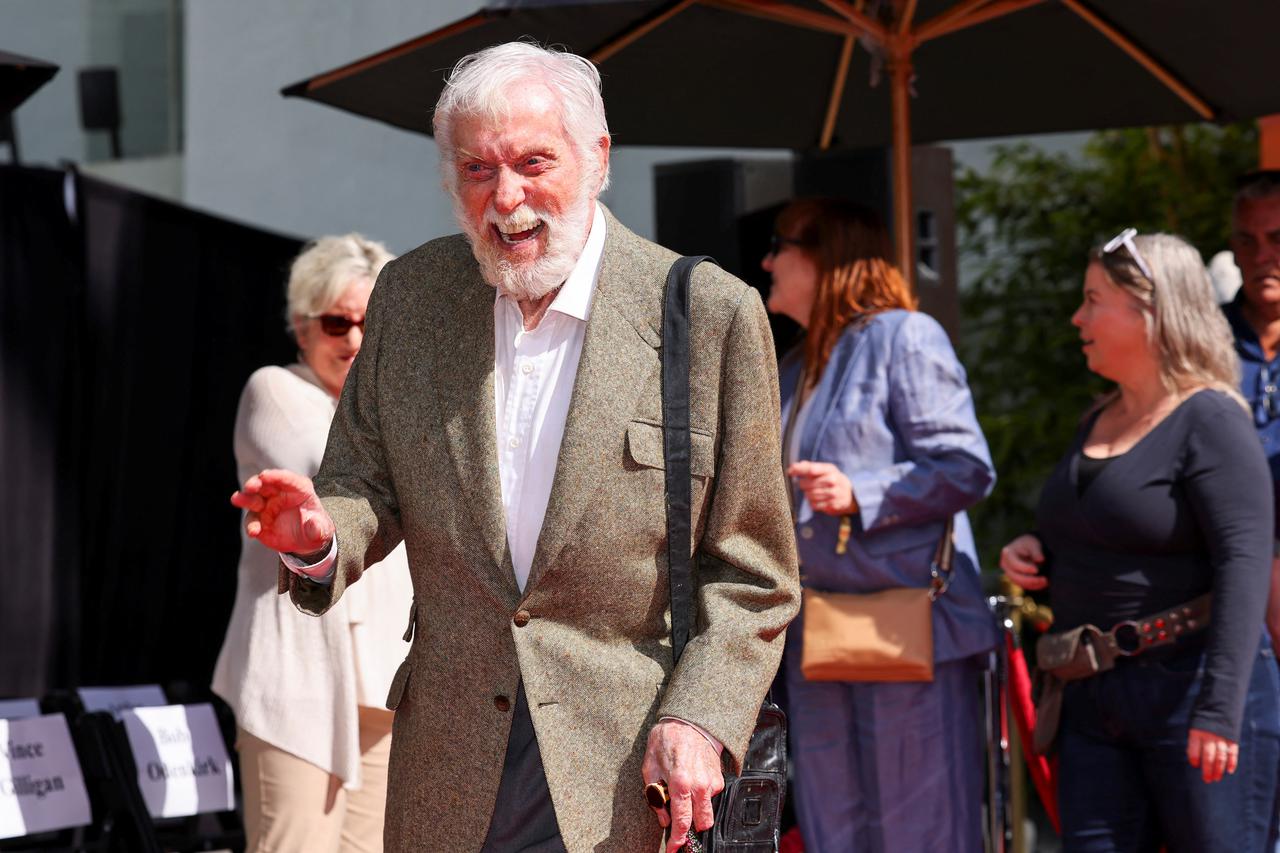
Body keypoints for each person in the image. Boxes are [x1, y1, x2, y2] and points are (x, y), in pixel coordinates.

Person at [230, 42, 800, 853]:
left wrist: (700, 717)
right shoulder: (413, 297)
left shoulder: (707, 314)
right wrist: (322, 539)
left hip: (628, 766)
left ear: (597, 157)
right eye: (476, 171)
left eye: (534, 162)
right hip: (451, 760)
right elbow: (363, 482)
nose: (506, 199)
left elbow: (754, 574)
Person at [1000, 230, 1280, 852]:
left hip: (1193, 692)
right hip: (1093, 698)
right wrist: (1032, 545)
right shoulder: (1097, 417)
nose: (1078, 316)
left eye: (1094, 298)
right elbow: (1102, 522)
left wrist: (1218, 712)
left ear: (1152, 309)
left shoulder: (1212, 418)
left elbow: (1244, 562)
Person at [764, 198, 998, 853]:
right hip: (819, 631)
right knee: (835, 828)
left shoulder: (903, 337)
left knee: (916, 832)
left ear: (824, 253)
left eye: (779, 245)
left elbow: (966, 465)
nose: (766, 261)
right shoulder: (791, 367)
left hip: (901, 626)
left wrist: (860, 493)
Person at [211, 234, 413, 853]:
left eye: (370, 323)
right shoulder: (273, 389)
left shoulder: (395, 405)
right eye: (336, 323)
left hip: (381, 677)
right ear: (303, 327)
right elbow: (328, 476)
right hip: (294, 672)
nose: (354, 340)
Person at [1224, 170, 1280, 655]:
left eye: (1277, 238)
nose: (1263, 256)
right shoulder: (1200, 343)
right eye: (1248, 240)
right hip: (1221, 598)